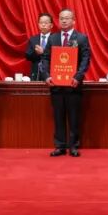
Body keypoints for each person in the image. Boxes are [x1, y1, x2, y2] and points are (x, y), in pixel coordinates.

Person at [42, 9, 92, 157]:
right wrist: (46, 76)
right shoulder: (53, 38)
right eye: (61, 18)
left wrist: (78, 76)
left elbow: (85, 59)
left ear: (73, 21)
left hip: (73, 85)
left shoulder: (81, 38)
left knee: (74, 116)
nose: (64, 21)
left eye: (67, 18)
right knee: (58, 116)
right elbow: (45, 58)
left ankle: (73, 146)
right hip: (56, 85)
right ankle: (60, 146)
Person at [25, 13, 56, 82]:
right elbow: (27, 56)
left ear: (51, 25)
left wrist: (43, 52)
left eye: (46, 23)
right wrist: (36, 53)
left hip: (51, 73)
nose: (43, 25)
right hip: (36, 73)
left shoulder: (56, 39)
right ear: (38, 24)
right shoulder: (33, 39)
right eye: (41, 23)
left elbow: (57, 56)